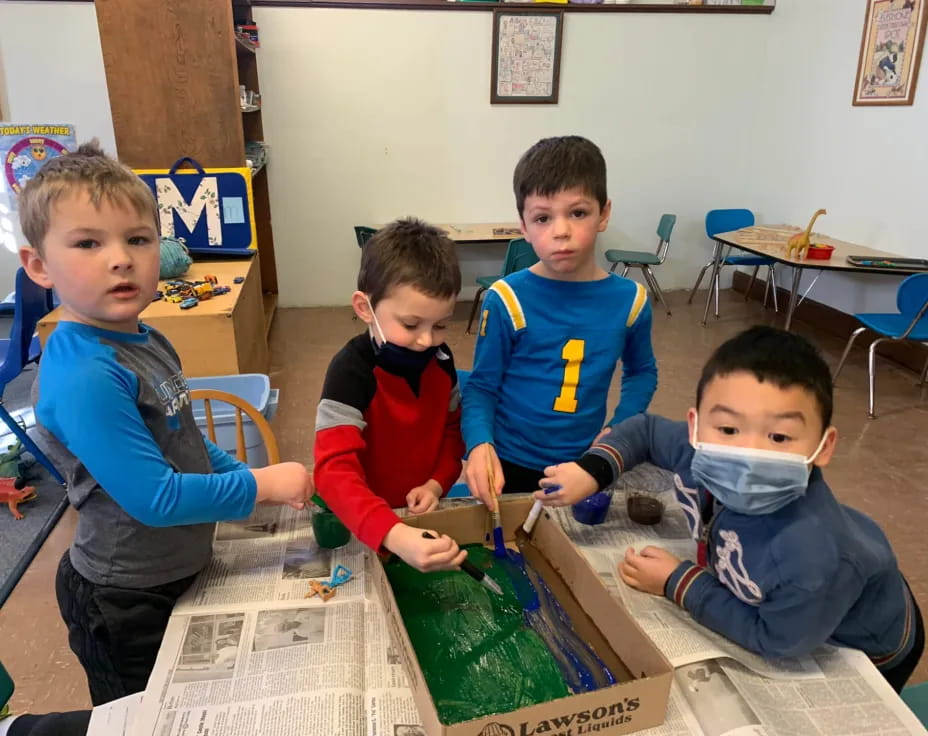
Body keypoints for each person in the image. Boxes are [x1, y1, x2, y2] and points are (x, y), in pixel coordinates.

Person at [17, 141, 313, 705]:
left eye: (137, 239)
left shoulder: (147, 338)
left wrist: (254, 475)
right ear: (39, 266)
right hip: (126, 596)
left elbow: (187, 441)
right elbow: (156, 498)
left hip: (177, 567)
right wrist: (261, 486)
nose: (120, 258)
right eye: (87, 243)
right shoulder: (87, 374)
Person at [538, 325, 923, 691]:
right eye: (728, 429)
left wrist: (679, 582)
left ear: (823, 447)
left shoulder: (813, 558)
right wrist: (591, 471)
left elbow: (776, 640)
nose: (747, 453)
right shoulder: (694, 450)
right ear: (696, 426)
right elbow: (647, 431)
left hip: (866, 643)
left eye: (779, 436)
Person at [462, 135, 657, 505]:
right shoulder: (506, 299)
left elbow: (642, 371)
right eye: (542, 218)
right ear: (523, 225)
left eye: (578, 212)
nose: (561, 231)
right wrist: (478, 444)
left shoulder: (632, 300)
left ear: (604, 213)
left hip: (583, 463)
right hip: (509, 460)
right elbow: (482, 386)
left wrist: (620, 428)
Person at [313, 218, 467, 573]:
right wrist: (391, 533)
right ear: (365, 308)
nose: (427, 340)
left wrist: (436, 483)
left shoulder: (441, 363)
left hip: (414, 517)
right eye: (412, 325)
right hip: (365, 525)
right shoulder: (351, 372)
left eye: (441, 324)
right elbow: (333, 471)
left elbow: (451, 433)